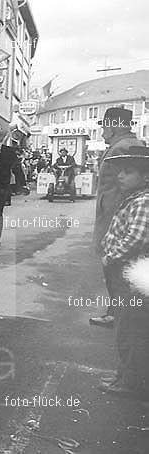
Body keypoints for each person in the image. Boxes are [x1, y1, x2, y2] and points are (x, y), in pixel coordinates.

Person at [97, 145, 149, 399]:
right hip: (127, 272)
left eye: (128, 172)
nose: (120, 176)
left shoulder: (143, 201)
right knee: (124, 325)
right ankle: (124, 374)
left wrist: (111, 256)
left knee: (130, 329)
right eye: (120, 171)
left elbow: (135, 238)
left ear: (145, 177)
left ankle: (130, 381)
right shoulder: (133, 198)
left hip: (130, 272)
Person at [91, 108, 144, 328]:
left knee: (115, 265)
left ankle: (118, 314)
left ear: (114, 126)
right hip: (116, 212)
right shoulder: (124, 145)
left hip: (115, 215)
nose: (103, 131)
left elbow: (125, 186)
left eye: (105, 126)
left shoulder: (121, 148)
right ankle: (121, 312)